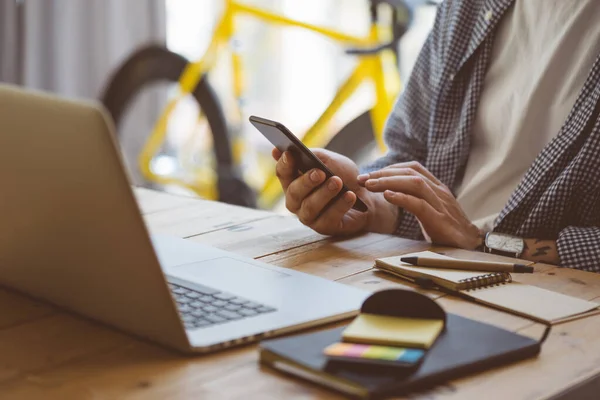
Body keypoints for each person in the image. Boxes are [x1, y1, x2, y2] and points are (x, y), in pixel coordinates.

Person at [272, 0, 600, 271]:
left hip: (552, 293)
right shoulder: (467, 7)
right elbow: (412, 149)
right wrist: (369, 204)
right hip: (426, 265)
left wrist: (480, 243)